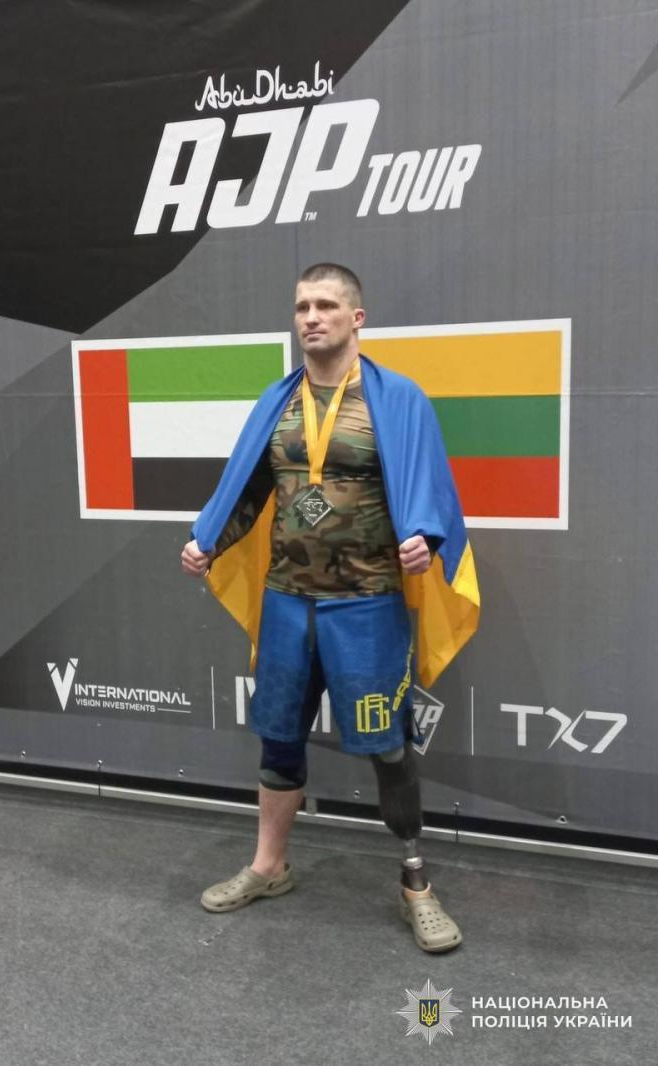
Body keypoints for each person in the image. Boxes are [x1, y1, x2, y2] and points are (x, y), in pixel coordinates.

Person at [181, 263, 479, 953]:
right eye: (301, 307)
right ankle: (268, 867)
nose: (311, 318)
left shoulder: (397, 400)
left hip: (367, 606)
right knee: (279, 738)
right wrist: (209, 541)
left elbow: (431, 492)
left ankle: (416, 884)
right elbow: (249, 491)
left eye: (325, 306)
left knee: (387, 746)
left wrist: (426, 541)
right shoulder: (278, 403)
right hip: (287, 602)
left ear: (356, 318)